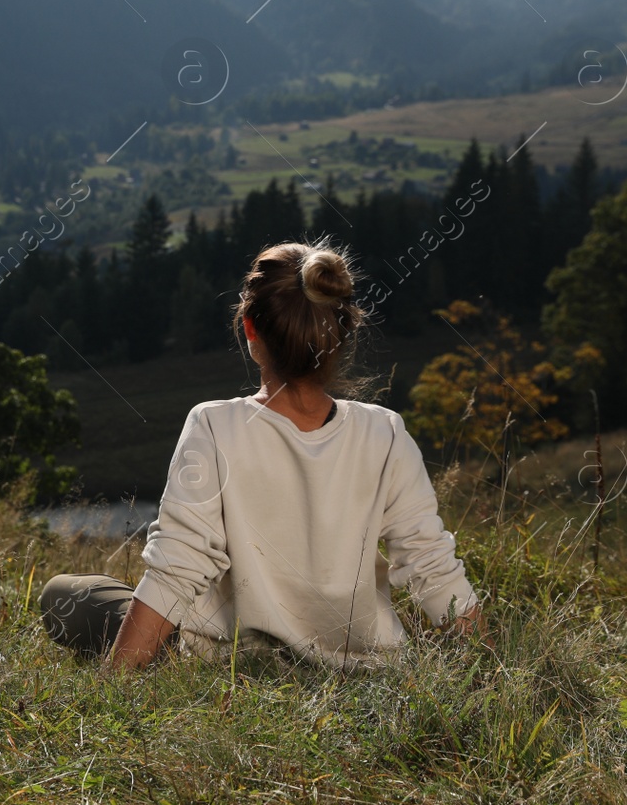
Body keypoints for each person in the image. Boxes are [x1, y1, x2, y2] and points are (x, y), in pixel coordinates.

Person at [39, 241, 482, 671]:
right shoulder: (385, 431)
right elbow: (431, 565)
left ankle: (165, 653)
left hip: (233, 661)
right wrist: (490, 669)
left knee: (64, 593)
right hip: (362, 664)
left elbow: (177, 569)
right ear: (344, 332)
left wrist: (114, 686)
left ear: (250, 328)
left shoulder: (214, 425)